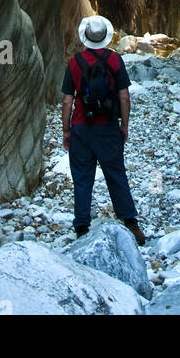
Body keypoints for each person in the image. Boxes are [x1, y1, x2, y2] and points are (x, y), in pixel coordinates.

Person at [61, 15, 146, 245]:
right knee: (116, 174)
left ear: (85, 38)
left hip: (81, 127)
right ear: (106, 39)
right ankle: (131, 223)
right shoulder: (115, 60)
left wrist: (66, 131)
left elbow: (68, 100)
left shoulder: (74, 62)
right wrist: (124, 125)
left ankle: (81, 226)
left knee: (82, 177)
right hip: (108, 127)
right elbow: (124, 96)